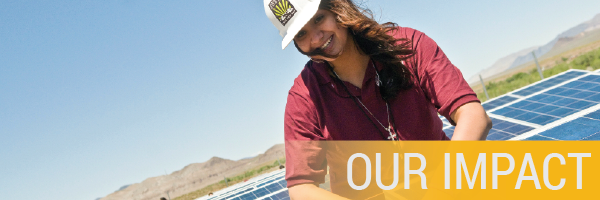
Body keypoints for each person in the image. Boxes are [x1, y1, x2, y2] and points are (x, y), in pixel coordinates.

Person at [263, 0, 492, 199]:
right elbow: (301, 188)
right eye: (301, 34)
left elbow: (472, 115)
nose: (315, 38)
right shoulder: (304, 97)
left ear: (336, 7)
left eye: (318, 18)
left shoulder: (406, 46)